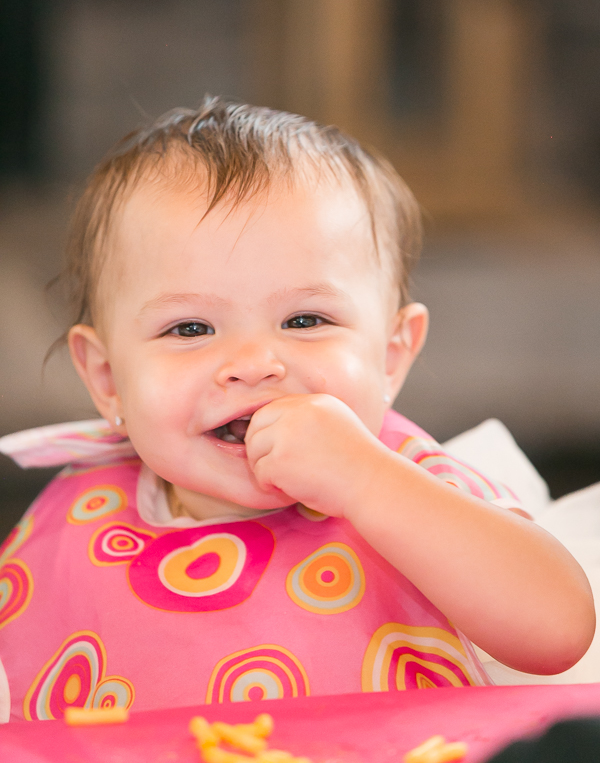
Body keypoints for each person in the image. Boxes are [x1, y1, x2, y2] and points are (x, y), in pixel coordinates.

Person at [0, 99, 594, 722]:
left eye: (306, 320)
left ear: (391, 356)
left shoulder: (410, 488)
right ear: (107, 378)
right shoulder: (80, 520)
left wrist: (368, 480)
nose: (254, 363)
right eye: (191, 327)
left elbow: (558, 632)